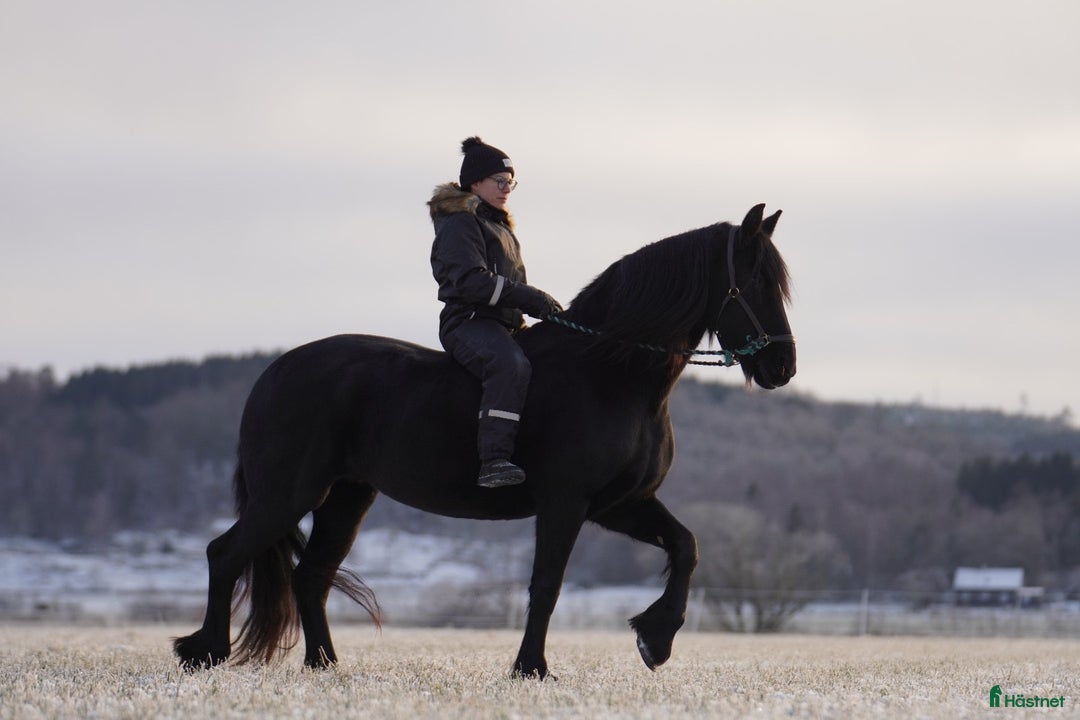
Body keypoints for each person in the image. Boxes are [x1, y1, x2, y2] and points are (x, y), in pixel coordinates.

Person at [428, 137, 563, 488]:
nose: (507, 188)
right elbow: (472, 282)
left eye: (510, 182)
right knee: (510, 365)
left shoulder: (499, 226)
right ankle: (493, 461)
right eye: (499, 181)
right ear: (475, 183)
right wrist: (531, 298)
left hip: (506, 324)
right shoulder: (460, 223)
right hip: (469, 323)